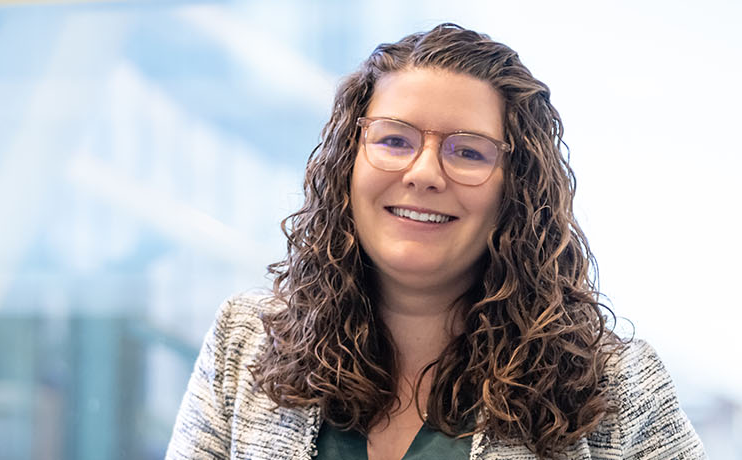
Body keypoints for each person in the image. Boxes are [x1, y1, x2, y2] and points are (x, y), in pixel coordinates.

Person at [167, 23, 705, 460]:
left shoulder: (616, 384)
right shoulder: (245, 344)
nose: (424, 173)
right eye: (395, 140)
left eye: (467, 152)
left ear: (516, 192)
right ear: (346, 167)